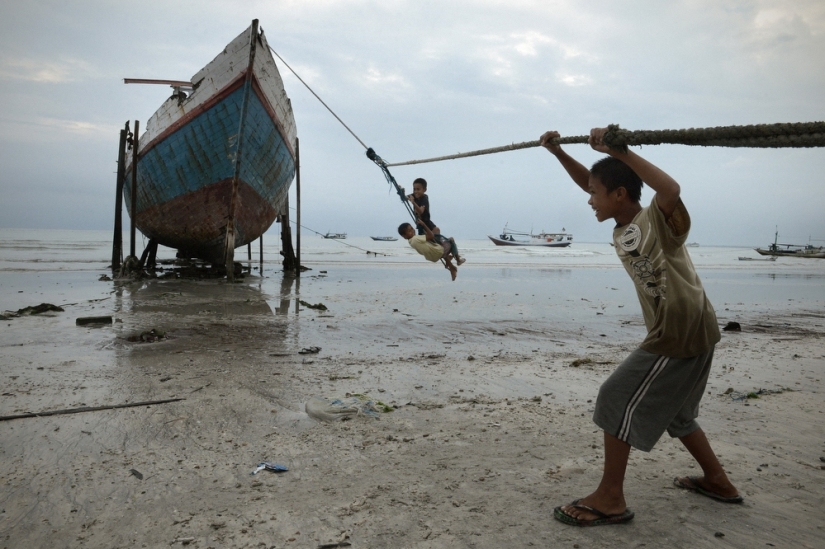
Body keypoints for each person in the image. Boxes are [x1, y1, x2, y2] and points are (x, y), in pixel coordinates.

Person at [540, 128, 741, 527]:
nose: (588, 198)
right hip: (696, 325)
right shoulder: (621, 224)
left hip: (677, 330)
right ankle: (718, 482)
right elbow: (593, 180)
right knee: (678, 413)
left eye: (595, 192)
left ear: (618, 194)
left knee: (614, 396)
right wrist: (558, 152)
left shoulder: (660, 221)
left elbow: (669, 187)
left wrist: (622, 151)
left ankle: (610, 498)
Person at [398, 216, 465, 280]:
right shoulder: (416, 238)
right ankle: (458, 260)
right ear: (404, 236)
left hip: (433, 257)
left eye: (412, 229)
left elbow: (424, 238)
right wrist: (424, 225)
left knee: (438, 245)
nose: (412, 231)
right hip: (438, 251)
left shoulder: (411, 242)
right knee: (451, 240)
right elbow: (431, 236)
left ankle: (450, 265)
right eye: (409, 231)